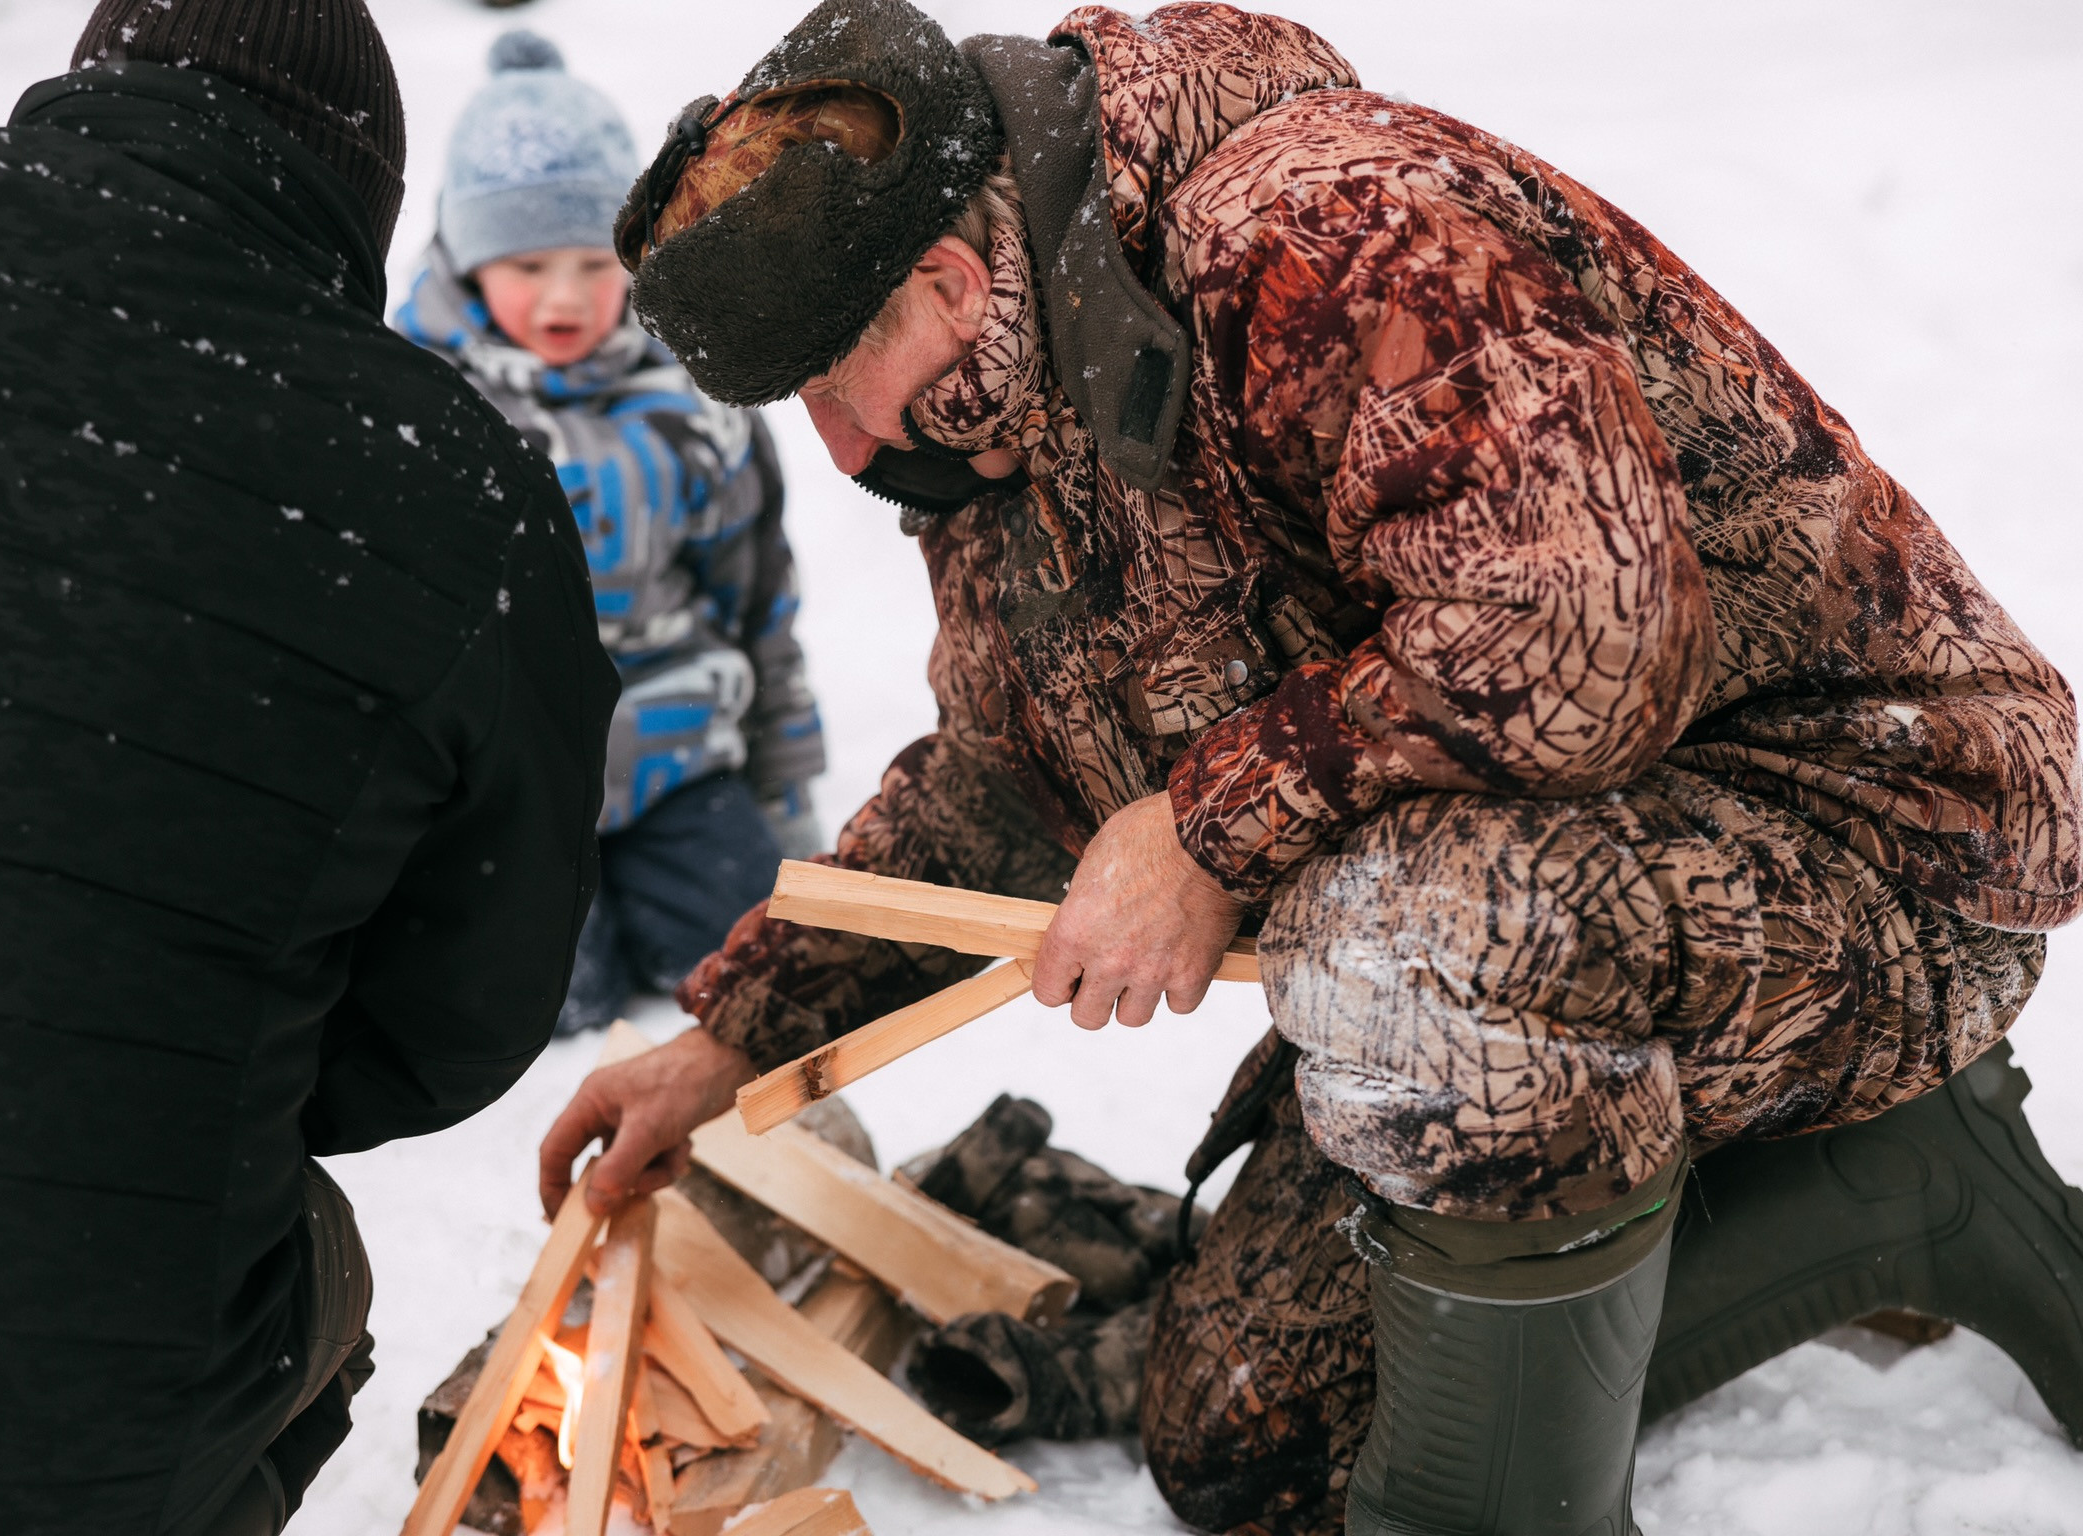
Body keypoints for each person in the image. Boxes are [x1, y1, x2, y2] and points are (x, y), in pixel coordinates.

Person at [536, 3, 2083, 1533]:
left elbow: (1577, 632)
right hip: (1556, 884)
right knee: (1251, 1440)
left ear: (944, 283)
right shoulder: (997, 400)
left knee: (1404, 957)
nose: (839, 446)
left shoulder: (1330, 227)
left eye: (824, 390)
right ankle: (1892, 1183)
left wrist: (1205, 832)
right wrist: (735, 1037)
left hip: (1881, 839)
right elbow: (1002, 785)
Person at [0, 1, 618, 1532]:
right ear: (358, 206)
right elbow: (456, 1023)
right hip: (38, 1444)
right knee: (297, 1249)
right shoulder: (448, 489)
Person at [401, 32, 827, 1034]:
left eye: (593, 262)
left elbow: (754, 594)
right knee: (544, 1004)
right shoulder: (422, 409)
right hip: (507, 785)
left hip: (676, 753)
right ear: (464, 258)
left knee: (758, 970)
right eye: (527, 262)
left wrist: (785, 791)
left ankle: (667, 881)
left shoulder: (693, 398)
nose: (564, 296)